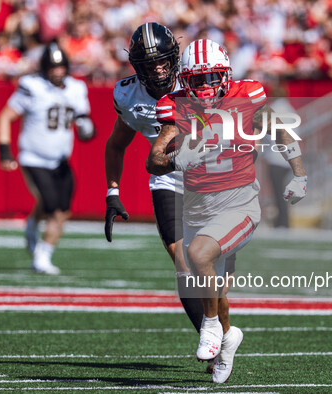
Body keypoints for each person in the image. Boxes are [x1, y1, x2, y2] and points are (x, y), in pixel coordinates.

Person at [146, 39, 307, 383]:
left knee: (198, 255)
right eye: (197, 79)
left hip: (240, 204)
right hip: (198, 207)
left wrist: (299, 173)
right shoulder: (174, 106)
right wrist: (175, 157)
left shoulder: (247, 95)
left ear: (226, 74)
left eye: (211, 77)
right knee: (210, 285)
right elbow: (154, 159)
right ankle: (228, 336)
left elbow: (278, 129)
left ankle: (209, 327)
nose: (204, 87)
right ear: (184, 79)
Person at [104, 23, 225, 353]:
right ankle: (211, 336)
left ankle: (222, 331)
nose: (158, 69)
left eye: (163, 61)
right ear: (137, 66)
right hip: (168, 179)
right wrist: (112, 191)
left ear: (174, 59)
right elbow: (116, 145)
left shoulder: (197, 77)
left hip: (209, 180)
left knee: (209, 267)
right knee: (182, 261)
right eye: (149, 63)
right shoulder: (128, 95)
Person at [0, 42, 95, 274]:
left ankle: (41, 244)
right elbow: (4, 118)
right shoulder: (32, 86)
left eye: (61, 67)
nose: (57, 71)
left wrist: (86, 127)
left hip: (60, 160)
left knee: (63, 209)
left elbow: (84, 120)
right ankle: (40, 252)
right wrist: (4, 152)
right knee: (51, 206)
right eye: (52, 67)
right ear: (44, 68)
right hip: (34, 157)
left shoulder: (76, 88)